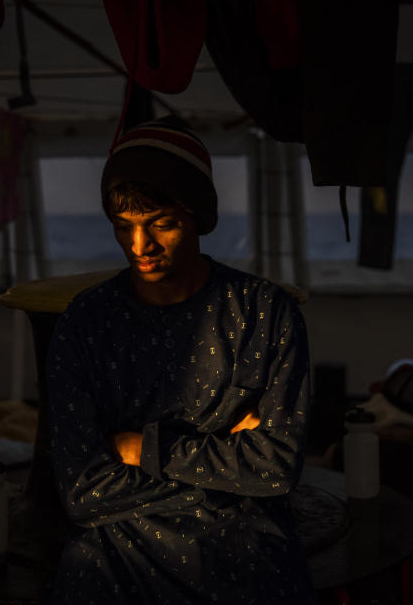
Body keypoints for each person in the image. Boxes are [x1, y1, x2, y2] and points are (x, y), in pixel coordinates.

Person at [46, 116, 316, 603]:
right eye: (123, 227)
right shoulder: (85, 323)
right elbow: (83, 493)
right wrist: (229, 471)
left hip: (244, 549)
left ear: (198, 217)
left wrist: (141, 448)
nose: (139, 246)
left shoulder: (263, 312)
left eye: (161, 224)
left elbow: (276, 468)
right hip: (112, 551)